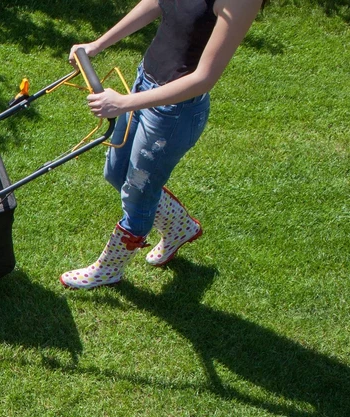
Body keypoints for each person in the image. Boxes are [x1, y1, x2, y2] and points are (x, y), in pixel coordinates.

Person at [60, 0, 263, 289]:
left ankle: (110, 269)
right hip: (144, 82)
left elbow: (203, 79)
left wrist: (124, 103)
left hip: (174, 112)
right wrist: (97, 44)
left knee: (138, 194)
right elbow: (156, 2)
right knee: (116, 173)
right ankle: (179, 227)